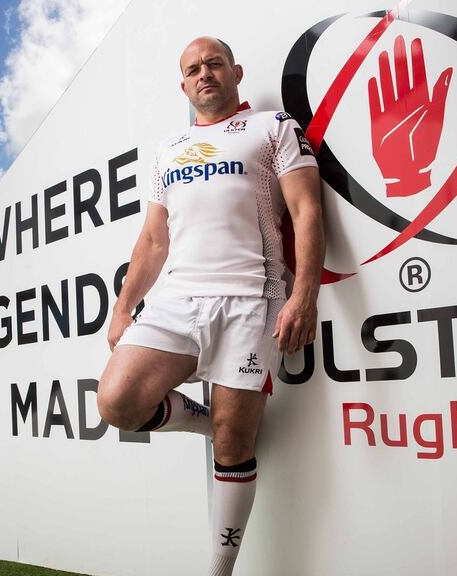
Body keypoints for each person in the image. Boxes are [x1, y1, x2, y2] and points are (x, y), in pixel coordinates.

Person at [97, 36, 324, 576]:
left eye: (214, 63)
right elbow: (154, 239)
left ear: (235, 71)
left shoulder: (273, 127)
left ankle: (219, 572)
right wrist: (124, 305)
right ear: (183, 84)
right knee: (118, 402)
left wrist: (304, 292)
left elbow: (307, 209)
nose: (205, 73)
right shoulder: (169, 149)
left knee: (235, 445)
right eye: (194, 68)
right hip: (176, 299)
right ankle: (208, 422)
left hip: (252, 299)